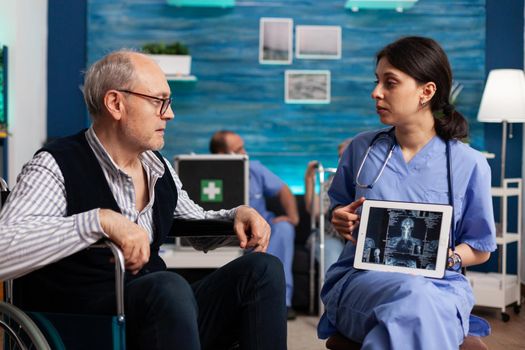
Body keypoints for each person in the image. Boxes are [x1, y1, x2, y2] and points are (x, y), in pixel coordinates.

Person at [0, 50, 287, 350]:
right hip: (86, 324)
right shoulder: (55, 165)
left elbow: (192, 224)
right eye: (158, 101)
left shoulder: (157, 168)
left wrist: (235, 216)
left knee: (262, 270)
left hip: (157, 315)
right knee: (169, 286)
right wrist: (99, 221)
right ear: (115, 103)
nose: (170, 113)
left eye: (169, 102)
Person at [317, 36, 496, 349]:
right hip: (362, 280)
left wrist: (447, 258)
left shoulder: (469, 163)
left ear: (426, 92)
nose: (376, 93)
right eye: (377, 82)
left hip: (440, 286)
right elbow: (340, 212)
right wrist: (340, 219)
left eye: (390, 83)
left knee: (417, 298)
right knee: (414, 298)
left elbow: (480, 247)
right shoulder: (361, 150)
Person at [209, 130, 299, 320]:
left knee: (284, 229)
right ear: (222, 155)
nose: (244, 153)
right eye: (238, 149)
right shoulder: (207, 173)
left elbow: (283, 189)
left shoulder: (254, 168)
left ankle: (282, 301)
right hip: (230, 231)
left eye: (243, 147)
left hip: (262, 229)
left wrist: (292, 216)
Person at [304, 139, 351, 275]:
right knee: (333, 255)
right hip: (329, 236)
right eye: (340, 156)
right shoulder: (332, 180)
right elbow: (316, 211)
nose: (342, 160)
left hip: (358, 240)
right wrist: (309, 180)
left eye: (347, 155)